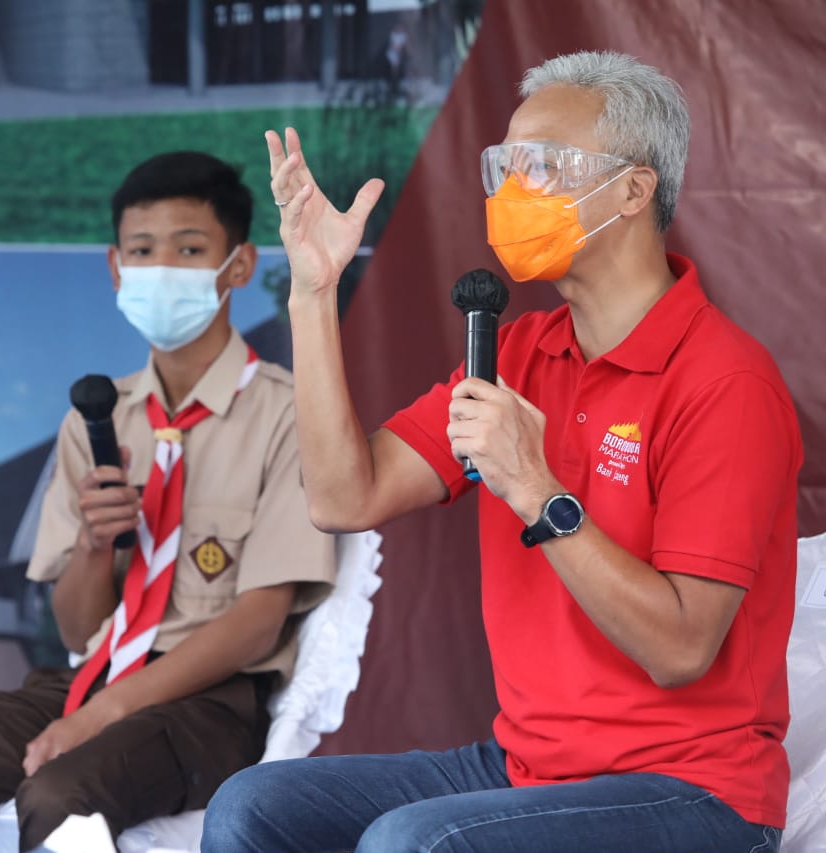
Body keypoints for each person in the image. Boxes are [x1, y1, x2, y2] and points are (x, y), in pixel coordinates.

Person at [203, 50, 799, 852]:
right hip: (528, 769)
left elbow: (681, 649)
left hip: (690, 790)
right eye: (505, 165)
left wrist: (536, 490)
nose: (514, 189)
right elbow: (345, 496)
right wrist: (313, 293)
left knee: (415, 843)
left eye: (545, 165)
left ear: (633, 189)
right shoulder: (517, 353)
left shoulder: (726, 380)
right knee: (252, 806)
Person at [0, 150, 338, 851]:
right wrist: (96, 546)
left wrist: (103, 715)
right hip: (90, 674)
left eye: (189, 250)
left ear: (240, 265)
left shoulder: (289, 413)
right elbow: (76, 628)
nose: (161, 269)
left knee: (62, 793)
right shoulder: (96, 417)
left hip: (208, 702)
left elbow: (256, 625)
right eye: (142, 251)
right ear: (114, 267)